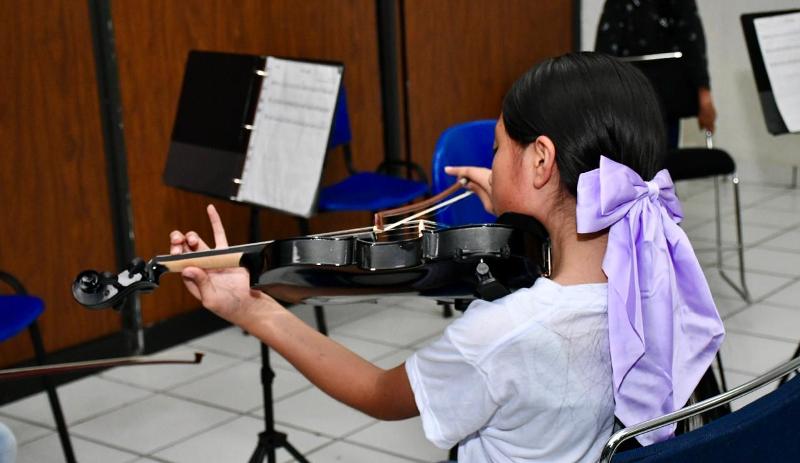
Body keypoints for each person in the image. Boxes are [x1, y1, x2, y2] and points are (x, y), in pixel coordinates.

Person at [169, 53, 724, 462]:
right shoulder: (657, 278)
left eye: (497, 148)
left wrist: (254, 310)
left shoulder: (502, 333)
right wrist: (516, 200)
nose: (492, 160)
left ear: (541, 161)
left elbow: (378, 394)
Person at [595, 0, 716, 146]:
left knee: (665, 153)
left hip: (667, 98)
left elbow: (693, 44)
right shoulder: (619, 4)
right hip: (629, 99)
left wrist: (704, 95)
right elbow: (604, 54)